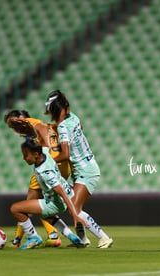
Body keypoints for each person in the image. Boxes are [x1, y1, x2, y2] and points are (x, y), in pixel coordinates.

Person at [44, 90, 113, 248]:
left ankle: (104, 238)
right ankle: (82, 239)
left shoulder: (62, 127)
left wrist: (49, 159)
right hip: (86, 167)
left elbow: (66, 154)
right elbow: (79, 126)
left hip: (86, 171)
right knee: (74, 207)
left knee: (74, 207)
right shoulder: (73, 117)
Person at [4, 109, 72, 247]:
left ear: (21, 118)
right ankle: (54, 235)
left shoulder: (30, 123)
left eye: (12, 123)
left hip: (48, 164)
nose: (13, 128)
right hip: (62, 165)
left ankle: (28, 238)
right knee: (41, 204)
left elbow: (41, 127)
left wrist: (49, 149)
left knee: (30, 203)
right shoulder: (30, 133)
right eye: (10, 126)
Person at [10, 134, 85, 249]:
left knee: (15, 209)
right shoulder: (44, 152)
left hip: (56, 202)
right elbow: (45, 146)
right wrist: (29, 137)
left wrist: (75, 215)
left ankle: (33, 237)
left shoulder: (45, 172)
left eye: (26, 155)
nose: (24, 158)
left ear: (35, 154)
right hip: (67, 192)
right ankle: (73, 237)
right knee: (46, 216)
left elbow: (61, 193)